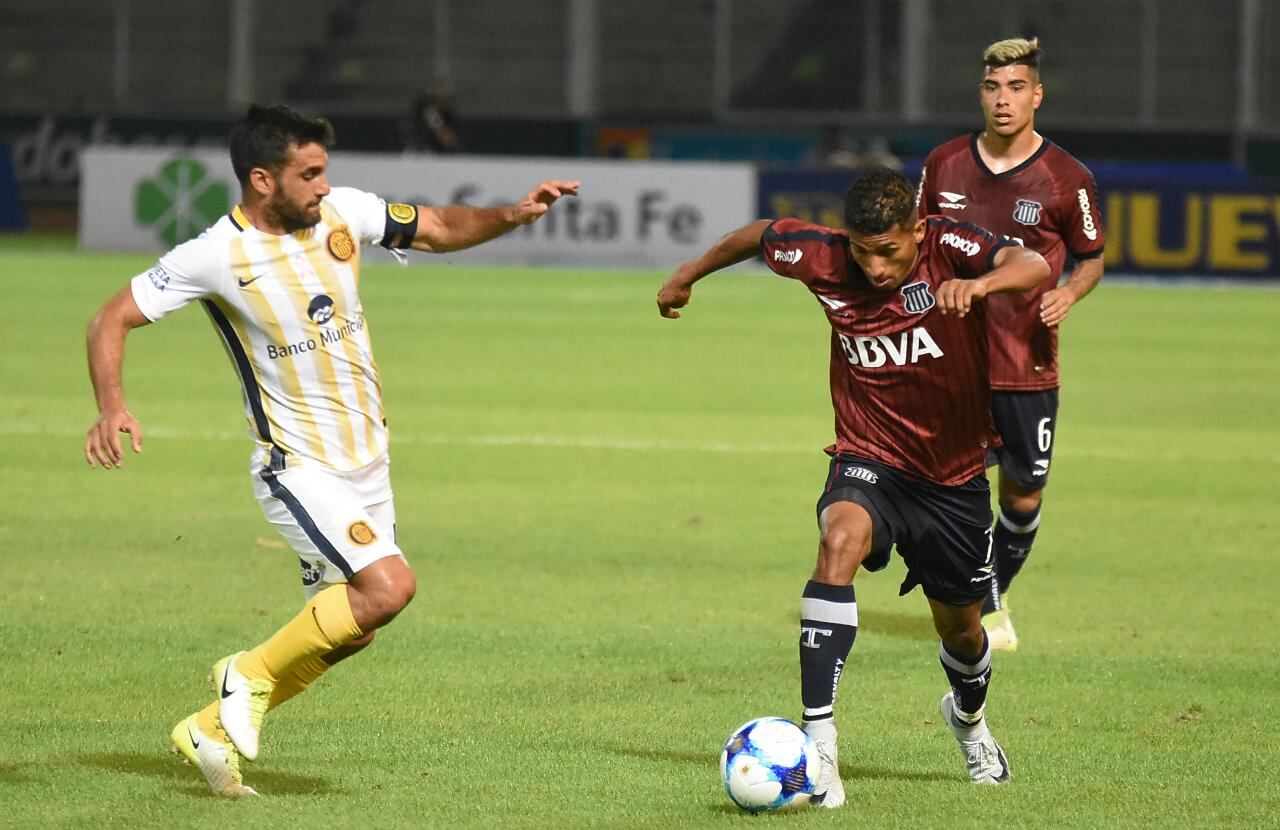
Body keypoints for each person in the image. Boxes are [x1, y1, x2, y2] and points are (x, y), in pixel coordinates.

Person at [83, 104, 579, 797]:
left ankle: (208, 728)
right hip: (296, 466)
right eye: (308, 174)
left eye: (324, 171)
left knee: (352, 630)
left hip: (367, 463)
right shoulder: (213, 255)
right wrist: (112, 406)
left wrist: (512, 214)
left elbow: (434, 226)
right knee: (388, 587)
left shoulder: (343, 214)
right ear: (262, 179)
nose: (322, 185)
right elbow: (112, 316)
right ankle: (244, 675)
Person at [657, 168, 1049, 803]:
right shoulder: (825, 256)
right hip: (868, 454)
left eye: (889, 250)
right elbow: (758, 235)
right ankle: (820, 747)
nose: (875, 266)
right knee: (837, 540)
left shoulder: (950, 246)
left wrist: (980, 286)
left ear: (916, 231)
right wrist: (686, 275)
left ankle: (969, 720)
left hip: (952, 479)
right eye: (863, 251)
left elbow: (1031, 263)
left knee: (963, 632)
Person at [918, 37, 1106, 651]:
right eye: (994, 89)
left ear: (1037, 96)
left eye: (1017, 88)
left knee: (1023, 495)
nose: (1004, 101)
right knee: (950, 490)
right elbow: (916, 245)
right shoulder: (943, 163)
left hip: (1026, 361)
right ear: (981, 94)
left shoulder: (1066, 177)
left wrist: (1070, 294)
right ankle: (986, 606)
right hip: (951, 362)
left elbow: (1092, 258)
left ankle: (993, 585)